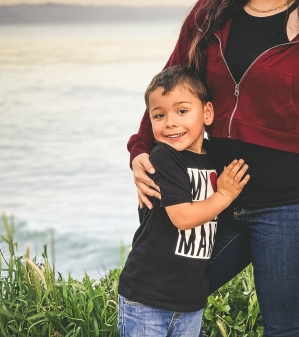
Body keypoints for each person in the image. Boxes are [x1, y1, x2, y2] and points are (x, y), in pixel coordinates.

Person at [128, 0, 299, 335]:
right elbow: (170, 88)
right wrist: (141, 150)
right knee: (159, 290)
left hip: (292, 207)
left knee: (284, 326)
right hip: (218, 198)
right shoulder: (211, 12)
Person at [118, 65, 250, 337]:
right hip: (147, 297)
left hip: (189, 301)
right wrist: (224, 194)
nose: (170, 122)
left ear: (208, 112)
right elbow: (183, 217)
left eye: (182, 111)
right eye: (159, 115)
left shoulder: (214, 157)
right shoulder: (164, 159)